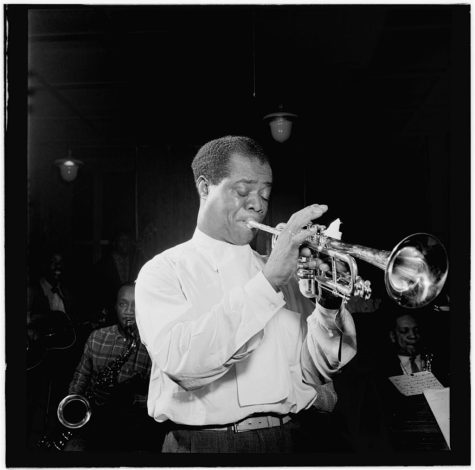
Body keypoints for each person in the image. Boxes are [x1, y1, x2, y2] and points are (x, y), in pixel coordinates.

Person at [135, 135, 357, 454]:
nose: (257, 204)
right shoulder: (164, 270)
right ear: (205, 188)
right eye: (243, 191)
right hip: (204, 444)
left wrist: (328, 302)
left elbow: (317, 371)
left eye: (265, 193)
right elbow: (183, 364)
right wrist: (269, 283)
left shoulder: (283, 272)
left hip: (293, 438)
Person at [60, 282, 155, 451]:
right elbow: (80, 378)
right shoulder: (97, 337)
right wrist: (73, 410)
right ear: (115, 306)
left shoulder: (153, 345)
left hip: (132, 425)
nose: (128, 311)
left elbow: (157, 397)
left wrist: (130, 398)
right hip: (94, 418)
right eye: (123, 304)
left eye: (135, 305)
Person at [93, 231, 139, 326]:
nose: (125, 243)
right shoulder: (103, 264)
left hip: (132, 312)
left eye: (127, 240)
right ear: (115, 243)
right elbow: (97, 290)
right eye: (122, 240)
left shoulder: (136, 261)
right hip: (110, 313)